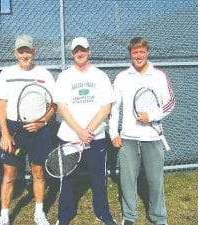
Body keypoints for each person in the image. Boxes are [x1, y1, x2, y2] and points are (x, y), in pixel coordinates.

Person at [109, 37, 175, 225]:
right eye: (135, 52)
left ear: (147, 52)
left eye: (142, 51)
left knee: (156, 181)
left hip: (152, 137)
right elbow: (114, 107)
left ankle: (159, 217)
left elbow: (170, 103)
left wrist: (152, 116)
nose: (138, 55)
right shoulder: (122, 77)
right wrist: (114, 132)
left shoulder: (159, 76)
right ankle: (129, 217)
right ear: (130, 54)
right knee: (127, 181)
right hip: (127, 139)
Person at [53, 37, 117, 225]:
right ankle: (64, 216)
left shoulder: (100, 76)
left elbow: (106, 107)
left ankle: (103, 213)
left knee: (98, 177)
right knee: (68, 178)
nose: (79, 53)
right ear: (72, 53)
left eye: (83, 50)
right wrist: (79, 131)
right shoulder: (65, 76)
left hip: (95, 137)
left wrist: (88, 131)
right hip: (70, 137)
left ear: (89, 51)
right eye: (76, 50)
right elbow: (61, 107)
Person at [0, 34, 56, 225]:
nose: (24, 54)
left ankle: (39, 212)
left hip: (39, 130)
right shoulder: (6, 73)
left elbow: (53, 105)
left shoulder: (44, 74)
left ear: (33, 52)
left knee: (38, 172)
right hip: (14, 129)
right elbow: (1, 105)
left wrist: (42, 122)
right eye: (21, 51)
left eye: (27, 50)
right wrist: (5, 133)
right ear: (15, 53)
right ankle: (4, 215)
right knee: (9, 174)